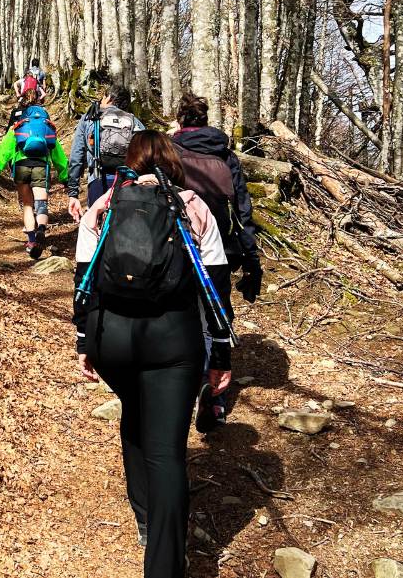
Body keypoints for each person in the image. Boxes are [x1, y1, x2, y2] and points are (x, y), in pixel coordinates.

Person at [73, 131, 232, 577]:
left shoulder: (104, 206)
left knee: (134, 412)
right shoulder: (193, 207)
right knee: (167, 452)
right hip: (173, 341)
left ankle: (144, 518)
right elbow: (215, 290)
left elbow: (83, 280)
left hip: (113, 340)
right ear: (173, 163)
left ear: (130, 162)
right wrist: (221, 354)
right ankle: (163, 563)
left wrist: (85, 342)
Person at [171, 90, 263, 429]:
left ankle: (182, 386)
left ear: (180, 119)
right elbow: (242, 211)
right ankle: (215, 397)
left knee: (181, 317)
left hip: (179, 247)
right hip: (221, 248)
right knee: (216, 321)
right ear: (206, 120)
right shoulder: (225, 154)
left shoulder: (170, 152)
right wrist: (252, 260)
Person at [0, 101, 68, 258]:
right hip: (41, 166)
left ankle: (31, 241)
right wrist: (65, 178)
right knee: (41, 203)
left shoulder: (17, 127)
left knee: (28, 205)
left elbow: (5, 151)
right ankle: (41, 230)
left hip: (21, 166)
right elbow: (59, 157)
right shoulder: (47, 128)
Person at [67, 84, 144, 222]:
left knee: (97, 226)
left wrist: (73, 193)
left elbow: (76, 157)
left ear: (108, 97)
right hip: (126, 181)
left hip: (98, 179)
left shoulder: (89, 119)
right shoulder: (134, 121)